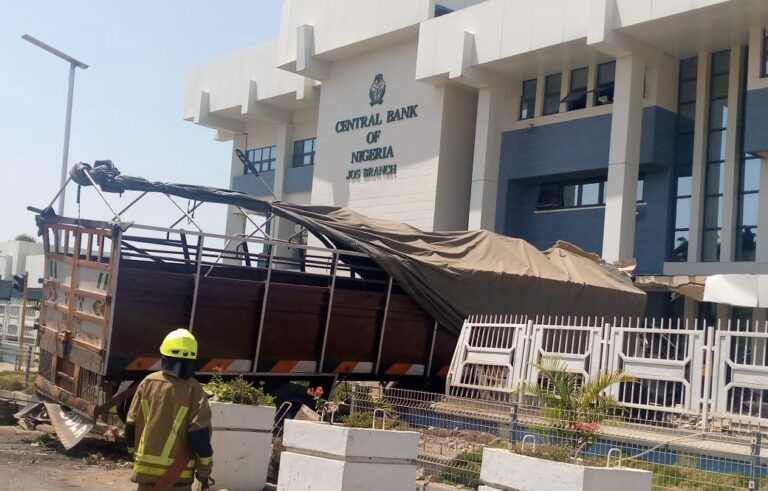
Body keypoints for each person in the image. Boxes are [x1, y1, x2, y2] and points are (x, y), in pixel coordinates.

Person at [125, 329, 214, 491]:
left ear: (164, 355)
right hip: (178, 476)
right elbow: (199, 434)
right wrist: (205, 469)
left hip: (144, 475)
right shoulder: (194, 390)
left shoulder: (147, 383)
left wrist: (133, 452)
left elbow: (131, 423)